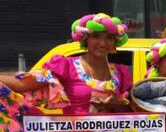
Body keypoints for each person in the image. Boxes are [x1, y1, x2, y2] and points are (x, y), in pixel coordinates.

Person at [0, 12, 132, 115]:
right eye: (96, 36)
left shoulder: (121, 73)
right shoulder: (66, 66)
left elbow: (135, 114)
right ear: (85, 40)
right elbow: (22, 85)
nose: (102, 43)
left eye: (109, 38)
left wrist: (116, 104)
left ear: (115, 43)